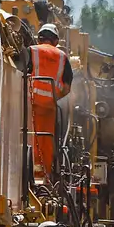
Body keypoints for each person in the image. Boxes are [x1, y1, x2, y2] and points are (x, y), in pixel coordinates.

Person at [27, 23, 73, 180]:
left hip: (29, 104)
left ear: (39, 38)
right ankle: (43, 175)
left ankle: (28, 171)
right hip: (49, 107)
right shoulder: (63, 57)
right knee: (46, 142)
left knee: (28, 137)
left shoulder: (31, 51)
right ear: (56, 41)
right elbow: (67, 88)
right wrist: (53, 97)